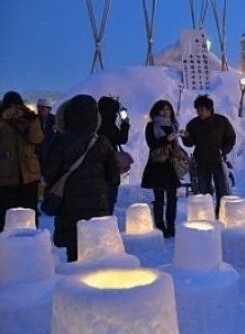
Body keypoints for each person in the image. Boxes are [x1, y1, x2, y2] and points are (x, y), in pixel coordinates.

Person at [44, 95, 119, 261]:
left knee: (74, 253)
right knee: (97, 254)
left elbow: (49, 176)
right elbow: (113, 177)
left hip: (69, 208)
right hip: (98, 207)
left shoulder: (60, 141)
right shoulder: (102, 142)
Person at [182, 94, 236, 216]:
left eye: (201, 109)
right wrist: (186, 137)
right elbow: (190, 144)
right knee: (204, 189)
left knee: (222, 189)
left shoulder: (221, 121)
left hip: (218, 160)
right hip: (201, 161)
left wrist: (224, 150)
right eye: (197, 109)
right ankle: (207, 213)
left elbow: (231, 137)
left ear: (209, 109)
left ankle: (221, 214)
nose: (199, 112)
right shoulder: (193, 124)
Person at [0, 91, 44, 231]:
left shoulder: (28, 120)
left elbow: (37, 139)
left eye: (17, 108)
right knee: (5, 213)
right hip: (5, 176)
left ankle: (31, 240)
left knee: (29, 211)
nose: (14, 112)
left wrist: (31, 119)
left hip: (29, 175)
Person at [141, 100, 182, 238]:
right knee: (159, 199)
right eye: (162, 109)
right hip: (157, 165)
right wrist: (167, 138)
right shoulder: (151, 126)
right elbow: (151, 144)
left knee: (172, 198)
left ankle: (171, 226)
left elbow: (175, 145)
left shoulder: (173, 125)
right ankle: (160, 227)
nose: (165, 112)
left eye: (168, 109)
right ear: (156, 111)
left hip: (171, 166)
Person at [97, 96, 131, 214]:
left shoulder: (95, 124)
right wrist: (125, 123)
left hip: (96, 167)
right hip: (110, 166)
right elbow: (122, 139)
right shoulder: (109, 126)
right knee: (109, 198)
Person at [36, 98, 57, 169]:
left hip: (52, 153)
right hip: (38, 153)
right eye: (40, 108)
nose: (43, 110)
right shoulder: (34, 121)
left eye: (46, 108)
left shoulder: (55, 120)